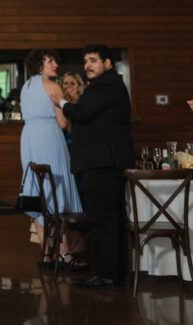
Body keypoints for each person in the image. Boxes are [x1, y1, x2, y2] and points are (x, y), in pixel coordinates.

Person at [53, 45, 134, 290]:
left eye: (93, 60)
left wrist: (62, 103)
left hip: (102, 163)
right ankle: (113, 273)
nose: (87, 65)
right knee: (109, 219)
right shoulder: (107, 85)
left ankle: (107, 275)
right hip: (105, 162)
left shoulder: (106, 85)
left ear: (107, 63)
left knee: (102, 220)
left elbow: (83, 112)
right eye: (85, 61)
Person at [20, 50, 84, 269]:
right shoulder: (53, 86)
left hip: (29, 138)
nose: (55, 64)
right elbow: (63, 123)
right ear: (40, 65)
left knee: (39, 194)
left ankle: (46, 254)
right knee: (57, 193)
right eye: (50, 61)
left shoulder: (26, 87)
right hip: (49, 138)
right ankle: (64, 254)